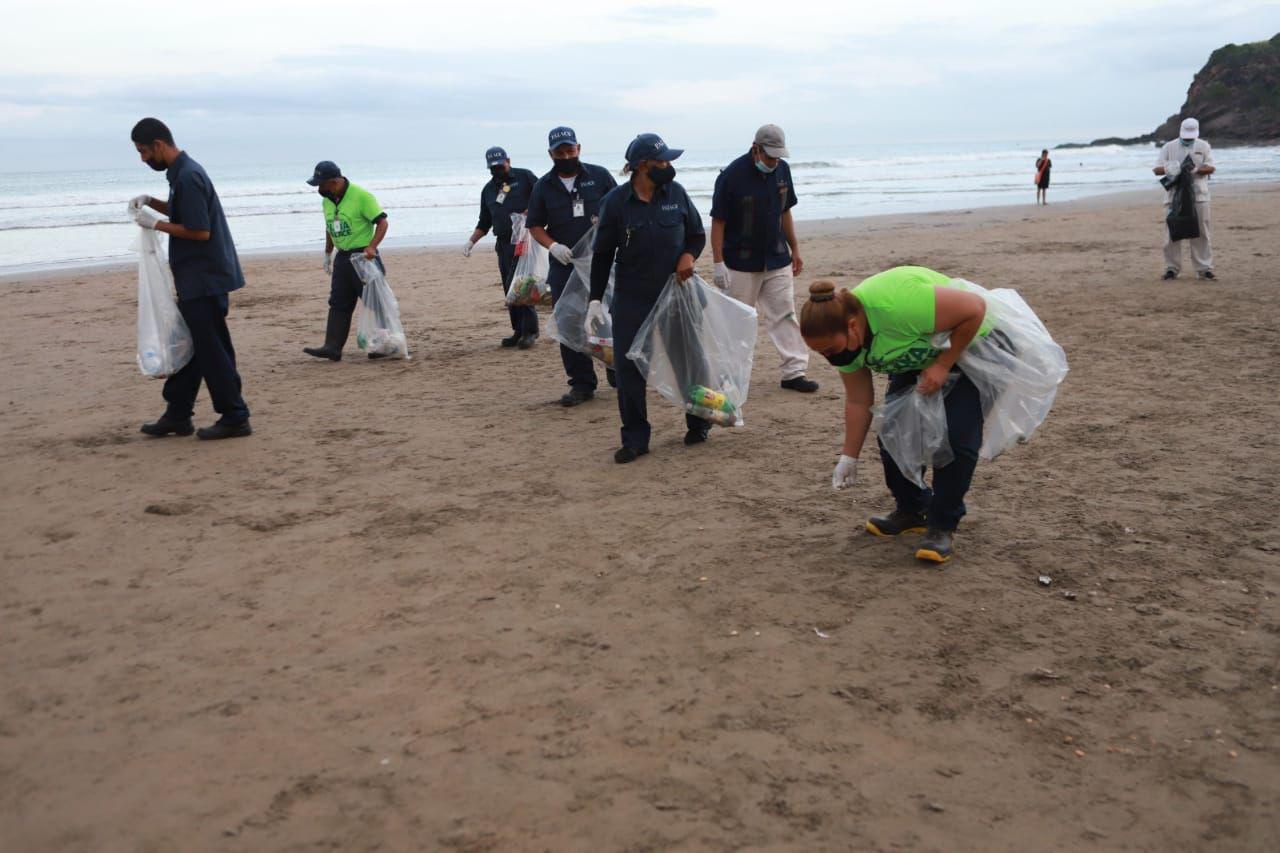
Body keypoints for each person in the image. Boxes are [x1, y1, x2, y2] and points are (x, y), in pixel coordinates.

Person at [799, 267, 991, 563]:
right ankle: (913, 510)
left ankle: (941, 525)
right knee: (893, 433)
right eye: (819, 352)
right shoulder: (845, 347)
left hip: (968, 344)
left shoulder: (897, 306)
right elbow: (859, 401)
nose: (828, 357)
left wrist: (942, 365)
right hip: (912, 355)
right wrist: (848, 458)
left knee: (956, 439)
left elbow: (975, 309)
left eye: (829, 349)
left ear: (852, 327)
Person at [587, 133, 708, 464]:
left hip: (675, 295)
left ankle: (699, 423)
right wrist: (595, 299)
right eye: (663, 161)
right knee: (628, 369)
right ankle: (636, 439)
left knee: (688, 360)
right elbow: (601, 255)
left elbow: (697, 235)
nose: (668, 166)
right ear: (642, 166)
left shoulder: (677, 194)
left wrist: (688, 257)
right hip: (632, 297)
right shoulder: (614, 203)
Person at [128, 117, 251, 440]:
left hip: (205, 278)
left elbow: (199, 230)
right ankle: (178, 414)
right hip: (201, 276)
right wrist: (152, 203)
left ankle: (235, 416)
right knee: (193, 346)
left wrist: (154, 224)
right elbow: (185, 212)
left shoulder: (188, 175)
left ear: (158, 145)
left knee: (212, 350)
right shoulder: (181, 173)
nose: (142, 159)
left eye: (143, 151)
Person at [710, 124, 818, 393]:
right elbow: (718, 222)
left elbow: (786, 213)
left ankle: (794, 372)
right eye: (770, 156)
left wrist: (796, 249)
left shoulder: (782, 170)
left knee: (784, 314)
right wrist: (718, 262)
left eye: (778, 156)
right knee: (737, 320)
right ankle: (730, 375)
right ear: (755, 148)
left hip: (777, 257)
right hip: (740, 262)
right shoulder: (731, 176)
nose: (774, 162)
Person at [527, 126, 618, 406]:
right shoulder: (544, 186)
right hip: (565, 264)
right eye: (560, 152)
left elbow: (622, 208)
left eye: (570, 150)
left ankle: (617, 368)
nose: (566, 156)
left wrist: (606, 228)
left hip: (601, 260)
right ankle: (581, 383)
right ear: (551, 154)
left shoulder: (600, 176)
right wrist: (553, 246)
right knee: (568, 320)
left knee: (609, 314)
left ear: (579, 148)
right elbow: (534, 225)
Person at [302, 161, 389, 361]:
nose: (319, 189)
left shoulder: (361, 196)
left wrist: (372, 247)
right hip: (342, 258)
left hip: (363, 257)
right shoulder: (328, 200)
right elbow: (330, 227)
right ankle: (332, 346)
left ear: (334, 182)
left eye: (321, 184)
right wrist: (327, 254)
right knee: (338, 303)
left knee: (375, 302)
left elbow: (382, 222)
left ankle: (386, 344)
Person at [463, 147, 540, 348]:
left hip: (525, 240)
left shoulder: (525, 177)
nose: (497, 170)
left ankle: (530, 332)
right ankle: (517, 330)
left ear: (508, 161)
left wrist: (529, 212)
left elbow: (543, 198)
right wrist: (471, 241)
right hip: (504, 243)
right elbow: (484, 221)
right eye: (493, 167)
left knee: (522, 285)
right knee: (509, 288)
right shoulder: (488, 190)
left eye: (500, 165)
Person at [1153, 118, 1216, 281]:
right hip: (1174, 196)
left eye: (1191, 136)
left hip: (1199, 195)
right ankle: (1171, 268)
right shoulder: (1169, 147)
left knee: (1202, 232)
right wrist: (1171, 168)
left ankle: (1204, 269)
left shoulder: (1203, 146)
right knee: (1172, 232)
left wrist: (1196, 170)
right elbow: (1157, 169)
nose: (1188, 139)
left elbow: (1211, 167)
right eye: (1186, 136)